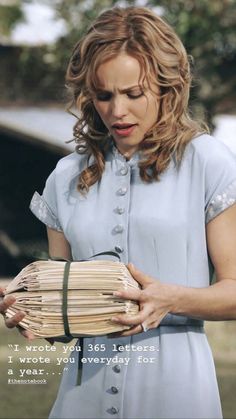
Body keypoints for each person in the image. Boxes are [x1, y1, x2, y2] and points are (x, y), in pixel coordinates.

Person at [1, 6, 236, 419]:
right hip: (81, 401)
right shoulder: (65, 177)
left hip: (177, 396)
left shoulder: (207, 163)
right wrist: (32, 313)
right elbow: (64, 307)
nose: (117, 111)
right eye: (104, 95)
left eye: (133, 93)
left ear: (167, 87)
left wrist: (173, 298)